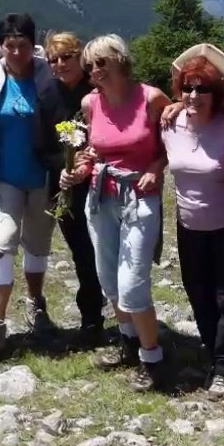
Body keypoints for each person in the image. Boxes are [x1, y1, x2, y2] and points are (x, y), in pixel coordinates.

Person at [60, 34, 171, 392]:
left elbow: (174, 143)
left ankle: (153, 358)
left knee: (133, 283)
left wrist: (157, 166)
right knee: (108, 277)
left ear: (121, 60)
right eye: (90, 65)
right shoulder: (91, 103)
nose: (95, 71)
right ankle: (128, 341)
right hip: (101, 196)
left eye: (101, 63)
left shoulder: (151, 98)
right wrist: (80, 165)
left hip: (140, 196)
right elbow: (94, 150)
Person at [0, 13, 67, 365]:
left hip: (42, 177)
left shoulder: (46, 72)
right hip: (4, 176)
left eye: (23, 45)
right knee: (0, 245)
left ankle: (36, 307)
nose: (17, 52)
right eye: (10, 45)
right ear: (1, 46)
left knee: (38, 246)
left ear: (32, 45)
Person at [160, 43, 224, 397]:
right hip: (189, 225)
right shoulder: (169, 123)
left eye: (203, 88)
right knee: (198, 293)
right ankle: (215, 354)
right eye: (188, 87)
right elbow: (150, 155)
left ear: (217, 94)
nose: (194, 95)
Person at [44, 30, 107, 346]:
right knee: (82, 253)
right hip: (65, 189)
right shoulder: (46, 95)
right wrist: (66, 161)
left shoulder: (99, 90)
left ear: (80, 56)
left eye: (66, 57)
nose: (60, 64)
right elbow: (40, 146)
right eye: (53, 59)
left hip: (101, 185)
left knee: (106, 250)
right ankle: (92, 319)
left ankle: (126, 314)